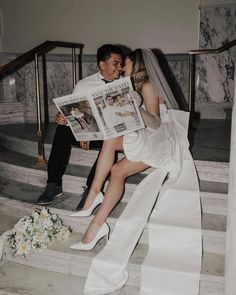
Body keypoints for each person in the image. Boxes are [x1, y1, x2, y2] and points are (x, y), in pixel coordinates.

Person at [70, 48, 179, 250]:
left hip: (158, 141)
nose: (122, 68)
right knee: (116, 169)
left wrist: (134, 107)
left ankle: (94, 196)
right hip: (145, 137)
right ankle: (95, 227)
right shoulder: (133, 86)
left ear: (136, 65)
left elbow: (155, 122)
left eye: (125, 64)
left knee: (114, 152)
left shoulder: (147, 85)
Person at [36, 44, 123, 207]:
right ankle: (54, 184)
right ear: (102, 65)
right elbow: (75, 114)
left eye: (121, 63)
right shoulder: (84, 85)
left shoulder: (125, 84)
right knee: (62, 129)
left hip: (112, 136)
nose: (120, 67)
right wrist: (64, 119)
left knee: (110, 139)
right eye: (115, 63)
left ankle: (91, 190)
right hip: (89, 133)